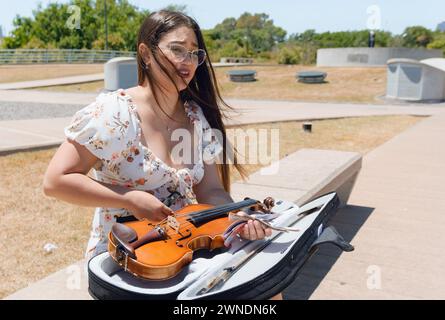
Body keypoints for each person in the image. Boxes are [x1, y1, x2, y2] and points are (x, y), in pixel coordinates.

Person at [43, 10, 282, 299]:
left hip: (183, 254)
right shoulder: (113, 113)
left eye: (195, 53)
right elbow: (56, 181)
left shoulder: (196, 117)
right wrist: (126, 198)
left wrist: (236, 218)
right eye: (177, 50)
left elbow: (211, 190)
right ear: (145, 53)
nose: (188, 62)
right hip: (127, 260)